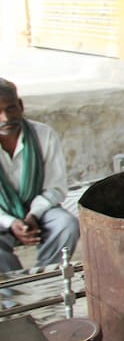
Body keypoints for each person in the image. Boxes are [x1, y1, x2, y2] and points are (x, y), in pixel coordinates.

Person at [0, 78, 79, 273]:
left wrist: (33, 215)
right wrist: (11, 223)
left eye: (10, 109)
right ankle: (16, 291)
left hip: (38, 210)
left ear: (20, 106)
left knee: (66, 225)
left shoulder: (43, 135)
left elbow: (55, 188)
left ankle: (46, 278)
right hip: (2, 216)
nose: (5, 118)